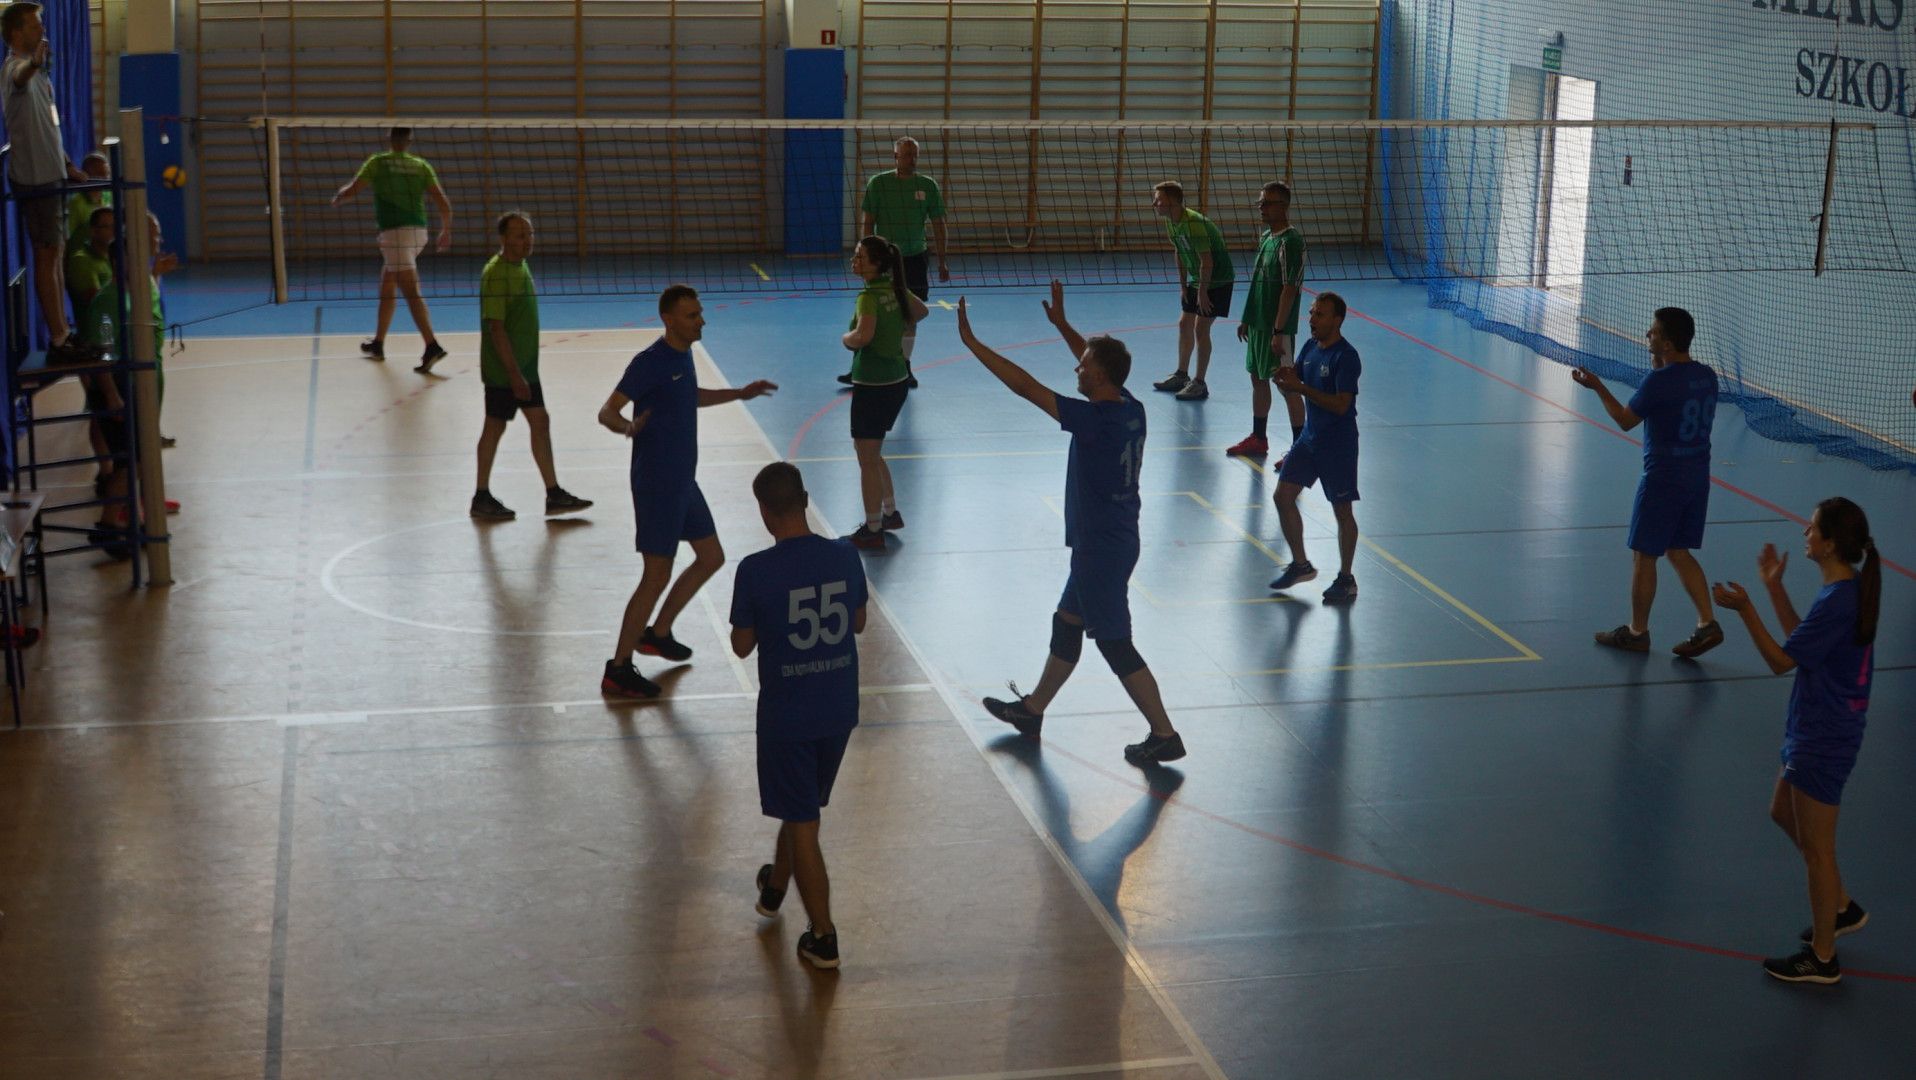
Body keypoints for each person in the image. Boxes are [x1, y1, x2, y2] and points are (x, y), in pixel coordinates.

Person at [957, 281, 1187, 767]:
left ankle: (1164, 734)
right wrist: (1063, 326)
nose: (1076, 368)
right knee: (1067, 621)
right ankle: (1032, 711)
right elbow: (1099, 366)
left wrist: (974, 344)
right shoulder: (1130, 407)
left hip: (1100, 549)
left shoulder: (1094, 421)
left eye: (1083, 366)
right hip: (1112, 540)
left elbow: (1026, 388)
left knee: (1115, 643)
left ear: (1099, 376)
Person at [1710, 498, 1879, 984]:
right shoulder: (1843, 592)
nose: (1805, 532)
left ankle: (1823, 959)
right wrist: (1774, 587)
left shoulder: (1839, 600)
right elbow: (1803, 648)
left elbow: (1780, 661)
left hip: (1824, 736)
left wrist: (1745, 609)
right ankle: (1841, 907)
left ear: (1830, 543)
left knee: (1819, 852)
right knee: (1782, 811)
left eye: (1812, 527)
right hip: (1815, 725)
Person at [597, 285, 777, 698]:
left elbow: (688, 396)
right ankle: (618, 668)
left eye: (700, 313)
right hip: (658, 483)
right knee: (655, 574)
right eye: (692, 315)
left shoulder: (684, 355)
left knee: (711, 556)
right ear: (669, 320)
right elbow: (607, 411)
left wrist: (739, 393)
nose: (702, 321)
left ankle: (658, 633)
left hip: (683, 480)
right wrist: (627, 427)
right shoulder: (649, 362)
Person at [730, 462, 868, 970]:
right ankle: (775, 887)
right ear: (806, 500)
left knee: (803, 822)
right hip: (838, 708)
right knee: (801, 807)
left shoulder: (755, 570)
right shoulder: (845, 555)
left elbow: (741, 645)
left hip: (788, 717)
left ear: (764, 512)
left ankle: (823, 935)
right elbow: (858, 622)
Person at [1572, 307, 1724, 657]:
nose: (1647, 335)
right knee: (1678, 550)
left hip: (1663, 479)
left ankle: (1637, 632)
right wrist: (1659, 365)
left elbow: (1626, 420)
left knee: (1644, 555)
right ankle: (1707, 622)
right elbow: (1674, 392)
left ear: (1667, 343)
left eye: (1653, 332)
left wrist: (1597, 386)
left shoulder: (1659, 383)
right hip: (1697, 476)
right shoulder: (1707, 376)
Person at [467, 212, 593, 522]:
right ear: (504, 239)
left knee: (538, 421)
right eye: (520, 235)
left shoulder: (519, 265)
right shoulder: (497, 274)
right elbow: (496, 328)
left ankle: (553, 494)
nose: (527, 241)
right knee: (496, 426)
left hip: (523, 368)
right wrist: (514, 375)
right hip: (506, 371)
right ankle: (482, 496)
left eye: (530, 234)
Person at [3, 2, 95, 364]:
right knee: (46, 256)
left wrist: (68, 164)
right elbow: (19, 75)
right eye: (34, 25)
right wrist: (34, 64)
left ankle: (64, 334)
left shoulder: (42, 77)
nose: (42, 29)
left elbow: (50, 128)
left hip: (53, 175)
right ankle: (58, 340)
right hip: (35, 180)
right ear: (16, 33)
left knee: (55, 255)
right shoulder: (15, 69)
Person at [331, 126, 452, 372]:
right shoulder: (421, 165)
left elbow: (353, 189)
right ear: (410, 141)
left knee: (411, 291)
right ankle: (378, 343)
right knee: (387, 283)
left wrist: (339, 197)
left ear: (389, 138)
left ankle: (432, 345)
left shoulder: (378, 162)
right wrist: (446, 230)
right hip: (418, 234)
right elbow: (442, 202)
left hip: (395, 234)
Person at [1268, 294, 1362, 605]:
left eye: (1320, 315)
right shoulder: (1310, 347)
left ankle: (1346, 579)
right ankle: (1301, 565)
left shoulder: (1346, 357)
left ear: (1337, 320)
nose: (1311, 319)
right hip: (1310, 439)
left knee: (1342, 511)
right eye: (1311, 313)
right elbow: (1295, 376)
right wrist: (1283, 378)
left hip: (1338, 444)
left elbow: (1341, 405)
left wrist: (1301, 389)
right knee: (1282, 496)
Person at [841, 235, 927, 551]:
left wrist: (846, 338)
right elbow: (921, 311)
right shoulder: (894, 288)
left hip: (873, 384)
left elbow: (863, 336)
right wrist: (895, 331)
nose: (854, 261)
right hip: (897, 380)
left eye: (860, 256)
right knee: (872, 451)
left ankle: (873, 528)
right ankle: (890, 513)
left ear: (876, 263)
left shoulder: (868, 297)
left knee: (866, 458)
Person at [844, 135, 947, 387]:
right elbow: (867, 222)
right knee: (869, 311)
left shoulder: (928, 185)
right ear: (896, 156)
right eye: (907, 154)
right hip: (883, 259)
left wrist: (942, 261)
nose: (912, 159)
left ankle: (905, 366)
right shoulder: (878, 183)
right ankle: (856, 366)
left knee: (910, 315)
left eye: (915, 155)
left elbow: (938, 224)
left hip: (914, 258)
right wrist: (864, 255)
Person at [1228, 181, 1306, 460]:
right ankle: (1259, 439)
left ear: (1283, 206)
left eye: (1267, 203)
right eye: (1260, 202)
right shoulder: (1266, 238)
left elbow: (1289, 289)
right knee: (1257, 377)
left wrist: (1279, 330)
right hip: (1259, 324)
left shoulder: (1291, 242)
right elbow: (1257, 282)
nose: (1261, 207)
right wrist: (1247, 318)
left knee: (1286, 384)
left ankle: (1300, 449)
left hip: (1277, 328)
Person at [1147, 180, 1234, 402]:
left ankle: (1200, 383)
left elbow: (1208, 261)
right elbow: (1179, 251)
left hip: (1217, 280)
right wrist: (1183, 285)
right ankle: (1181, 375)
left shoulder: (1194, 224)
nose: (1154, 204)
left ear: (1172, 201)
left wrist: (1202, 293)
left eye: (1158, 200)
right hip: (1198, 278)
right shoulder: (1172, 221)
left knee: (1201, 328)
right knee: (1184, 324)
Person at [64, 150, 108, 251]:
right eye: (101, 174)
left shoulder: (108, 198)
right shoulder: (76, 203)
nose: (106, 178)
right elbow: (66, 238)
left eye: (107, 174)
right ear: (87, 174)